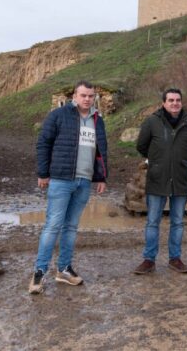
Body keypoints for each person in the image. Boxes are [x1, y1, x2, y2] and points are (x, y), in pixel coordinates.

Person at [28, 80, 108, 294]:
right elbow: (43, 143)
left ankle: (63, 269)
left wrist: (101, 177)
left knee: (71, 227)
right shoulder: (59, 115)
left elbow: (101, 150)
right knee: (53, 225)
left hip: (84, 181)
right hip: (61, 180)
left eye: (91, 96)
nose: (87, 99)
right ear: (75, 96)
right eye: (83, 95)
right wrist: (43, 173)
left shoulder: (97, 120)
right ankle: (39, 272)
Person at [133, 88, 187, 275]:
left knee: (177, 222)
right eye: (170, 100)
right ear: (164, 103)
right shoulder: (152, 122)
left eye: (178, 100)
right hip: (157, 179)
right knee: (153, 221)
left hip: (180, 179)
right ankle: (149, 260)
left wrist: (179, 161)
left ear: (181, 102)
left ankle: (175, 259)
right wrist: (158, 162)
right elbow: (141, 146)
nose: (175, 103)